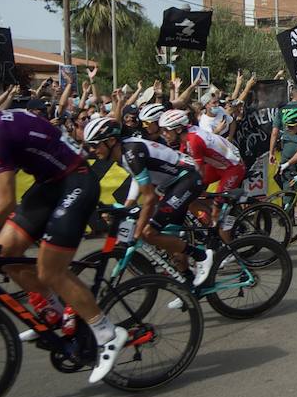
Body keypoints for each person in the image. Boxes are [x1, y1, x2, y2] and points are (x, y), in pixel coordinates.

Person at [0, 77, 128, 384]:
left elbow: (5, 203)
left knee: (50, 271)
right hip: (49, 186)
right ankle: (60, 314)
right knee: (6, 254)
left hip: (76, 182)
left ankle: (106, 332)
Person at [81, 114, 213, 290]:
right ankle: (191, 286)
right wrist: (127, 205)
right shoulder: (124, 152)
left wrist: (137, 234)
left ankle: (202, 256)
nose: (92, 150)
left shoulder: (130, 152)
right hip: (173, 184)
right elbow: (138, 179)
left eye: (95, 145)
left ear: (111, 141)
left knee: (149, 233)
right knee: (168, 241)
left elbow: (149, 197)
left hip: (186, 179)